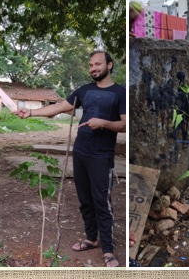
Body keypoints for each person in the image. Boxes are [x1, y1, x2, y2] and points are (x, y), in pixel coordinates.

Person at [15, 51, 126, 267]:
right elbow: (58, 108)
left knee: (102, 202)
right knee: (85, 200)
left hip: (102, 156)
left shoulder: (119, 93)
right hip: (81, 152)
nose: (93, 68)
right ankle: (91, 238)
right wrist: (30, 112)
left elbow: (124, 124)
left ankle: (108, 249)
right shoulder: (84, 90)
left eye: (98, 64)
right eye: (90, 65)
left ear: (109, 65)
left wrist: (103, 123)